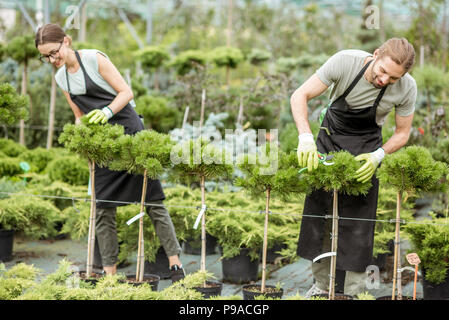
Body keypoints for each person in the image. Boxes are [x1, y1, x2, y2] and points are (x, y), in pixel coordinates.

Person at [35, 23, 185, 282]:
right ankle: (110, 273)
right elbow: (79, 116)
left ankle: (175, 265)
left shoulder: (95, 59)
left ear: (66, 41)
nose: (52, 59)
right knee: (103, 207)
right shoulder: (62, 78)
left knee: (152, 200)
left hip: (128, 133)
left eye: (54, 52)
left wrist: (106, 112)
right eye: (45, 56)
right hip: (102, 146)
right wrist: (82, 141)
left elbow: (126, 92)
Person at [290, 38, 417, 297]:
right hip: (329, 143)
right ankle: (321, 286)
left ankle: (354, 292)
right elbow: (299, 95)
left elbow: (403, 133)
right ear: (376, 54)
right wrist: (305, 138)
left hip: (366, 149)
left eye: (392, 79)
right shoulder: (344, 61)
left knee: (360, 223)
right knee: (320, 215)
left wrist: (378, 156)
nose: (384, 80)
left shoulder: (407, 87)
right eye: (382, 71)